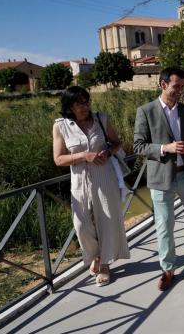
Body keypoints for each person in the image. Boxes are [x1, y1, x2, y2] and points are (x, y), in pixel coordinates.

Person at [133, 67, 184, 291]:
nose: (180, 90)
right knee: (164, 225)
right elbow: (138, 146)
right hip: (161, 178)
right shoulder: (145, 111)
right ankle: (168, 268)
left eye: (182, 86)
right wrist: (165, 148)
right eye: (176, 86)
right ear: (163, 85)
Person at [52, 86, 130, 287]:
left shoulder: (101, 119)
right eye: (79, 103)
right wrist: (83, 156)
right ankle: (95, 255)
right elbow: (58, 159)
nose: (85, 106)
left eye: (86, 102)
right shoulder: (61, 126)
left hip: (104, 177)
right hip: (79, 182)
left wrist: (108, 153)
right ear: (69, 105)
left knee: (107, 221)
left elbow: (117, 143)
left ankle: (104, 264)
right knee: (82, 226)